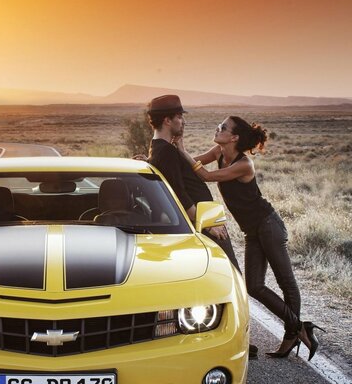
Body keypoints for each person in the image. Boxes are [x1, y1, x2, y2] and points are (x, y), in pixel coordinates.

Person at [175, 115, 324, 360]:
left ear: (234, 137)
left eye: (223, 127)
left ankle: (291, 334)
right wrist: (157, 160)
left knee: (286, 281)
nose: (218, 128)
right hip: (252, 231)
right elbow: (194, 163)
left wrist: (181, 148)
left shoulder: (244, 164)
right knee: (254, 286)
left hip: (268, 225)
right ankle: (300, 328)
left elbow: (207, 176)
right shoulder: (220, 151)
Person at [134, 95, 242, 274]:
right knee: (232, 275)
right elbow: (179, 193)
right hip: (203, 223)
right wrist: (207, 224)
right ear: (168, 120)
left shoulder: (159, 148)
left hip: (200, 221)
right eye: (179, 117)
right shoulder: (166, 151)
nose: (183, 121)